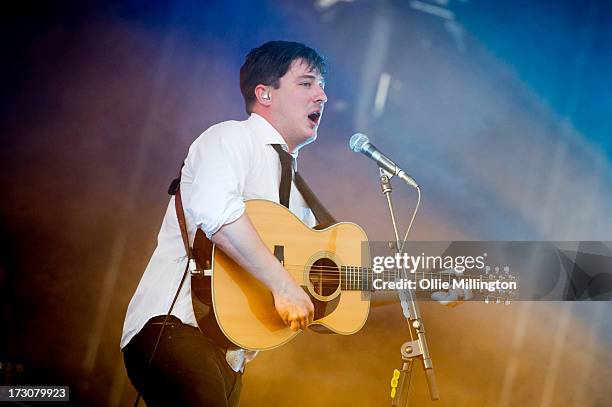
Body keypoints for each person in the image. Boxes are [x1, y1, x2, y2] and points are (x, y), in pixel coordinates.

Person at [121, 40, 329, 406]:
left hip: (230, 360)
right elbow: (219, 217)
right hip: (175, 330)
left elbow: (322, 283)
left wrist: (424, 282)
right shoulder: (228, 138)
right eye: (307, 83)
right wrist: (282, 285)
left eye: (322, 85)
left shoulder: (300, 194)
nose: (323, 96)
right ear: (264, 93)